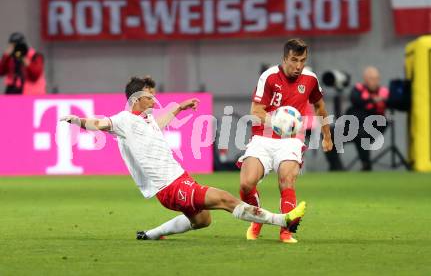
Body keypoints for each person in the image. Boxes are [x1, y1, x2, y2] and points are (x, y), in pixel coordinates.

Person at [60, 76, 306, 241]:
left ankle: (151, 235)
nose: (154, 99)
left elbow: (159, 123)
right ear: (136, 98)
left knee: (203, 220)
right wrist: (78, 121)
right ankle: (282, 219)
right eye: (149, 95)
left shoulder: (145, 121)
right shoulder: (123, 121)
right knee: (224, 199)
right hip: (169, 187)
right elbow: (100, 123)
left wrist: (179, 108)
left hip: (179, 179)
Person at [237, 39, 333, 243]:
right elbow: (255, 111)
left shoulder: (310, 79)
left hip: (290, 141)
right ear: (284, 59)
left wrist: (327, 136)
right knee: (246, 184)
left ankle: (286, 230)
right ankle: (258, 217)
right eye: (294, 60)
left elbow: (320, 108)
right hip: (263, 138)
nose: (298, 66)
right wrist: (278, 121)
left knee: (287, 181)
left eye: (303, 60)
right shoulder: (269, 77)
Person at [325, 66, 389, 171]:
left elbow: (391, 102)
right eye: (371, 79)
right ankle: (336, 167)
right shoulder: (358, 89)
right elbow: (356, 100)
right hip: (354, 122)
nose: (375, 81)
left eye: (377, 78)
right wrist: (373, 100)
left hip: (375, 123)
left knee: (362, 134)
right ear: (365, 79)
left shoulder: (384, 92)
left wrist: (376, 101)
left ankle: (366, 165)